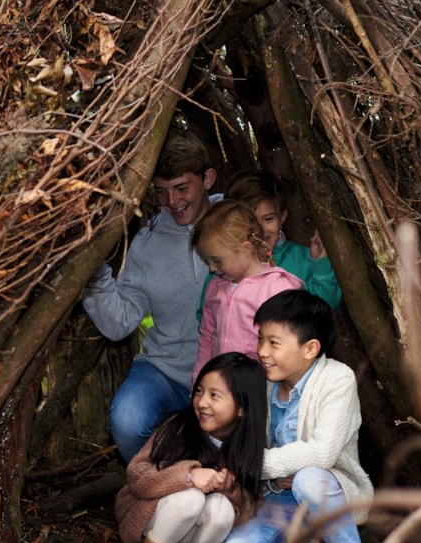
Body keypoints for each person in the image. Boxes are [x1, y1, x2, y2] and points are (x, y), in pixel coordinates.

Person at [216, 290, 378, 543]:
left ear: (310, 348)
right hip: (276, 501)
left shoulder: (337, 379)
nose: (261, 351)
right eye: (260, 339)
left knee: (309, 479)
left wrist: (255, 464)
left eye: (273, 343)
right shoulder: (261, 383)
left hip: (329, 494)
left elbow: (322, 454)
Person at [82, 133, 218, 462]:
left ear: (208, 179)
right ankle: (154, 491)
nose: (172, 201)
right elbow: (120, 322)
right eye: (162, 191)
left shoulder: (235, 220)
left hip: (228, 371)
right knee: (128, 420)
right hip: (166, 371)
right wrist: (93, 274)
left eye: (182, 188)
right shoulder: (148, 241)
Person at [114, 352, 266, 543]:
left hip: (194, 539)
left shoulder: (247, 449)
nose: (202, 402)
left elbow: (249, 513)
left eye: (215, 395)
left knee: (222, 509)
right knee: (190, 499)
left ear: (242, 409)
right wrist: (188, 475)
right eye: (199, 391)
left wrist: (230, 488)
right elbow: (137, 476)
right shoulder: (179, 427)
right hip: (150, 524)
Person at [191, 199, 303, 384]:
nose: (211, 268)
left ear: (246, 249)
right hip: (224, 390)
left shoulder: (276, 288)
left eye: (217, 260)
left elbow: (290, 347)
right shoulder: (215, 287)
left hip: (263, 390)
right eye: (207, 261)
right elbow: (207, 338)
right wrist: (200, 381)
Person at [224, 170, 342, 309]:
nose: (260, 229)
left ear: (282, 217)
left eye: (268, 219)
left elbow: (327, 305)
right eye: (250, 221)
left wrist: (320, 266)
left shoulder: (301, 259)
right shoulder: (226, 263)